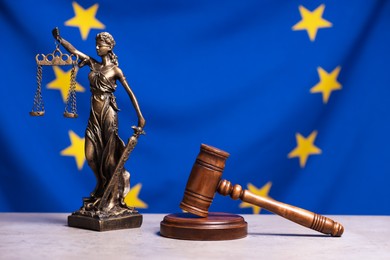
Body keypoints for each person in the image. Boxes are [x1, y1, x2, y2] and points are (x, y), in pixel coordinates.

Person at [52, 28, 145, 213]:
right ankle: (102, 185)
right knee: (91, 156)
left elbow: (131, 94)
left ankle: (112, 197)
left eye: (100, 45)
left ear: (109, 47)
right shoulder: (93, 64)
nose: (96, 47)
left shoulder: (116, 70)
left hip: (108, 113)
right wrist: (60, 40)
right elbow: (74, 51)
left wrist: (140, 116)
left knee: (110, 158)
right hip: (94, 115)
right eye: (96, 44)